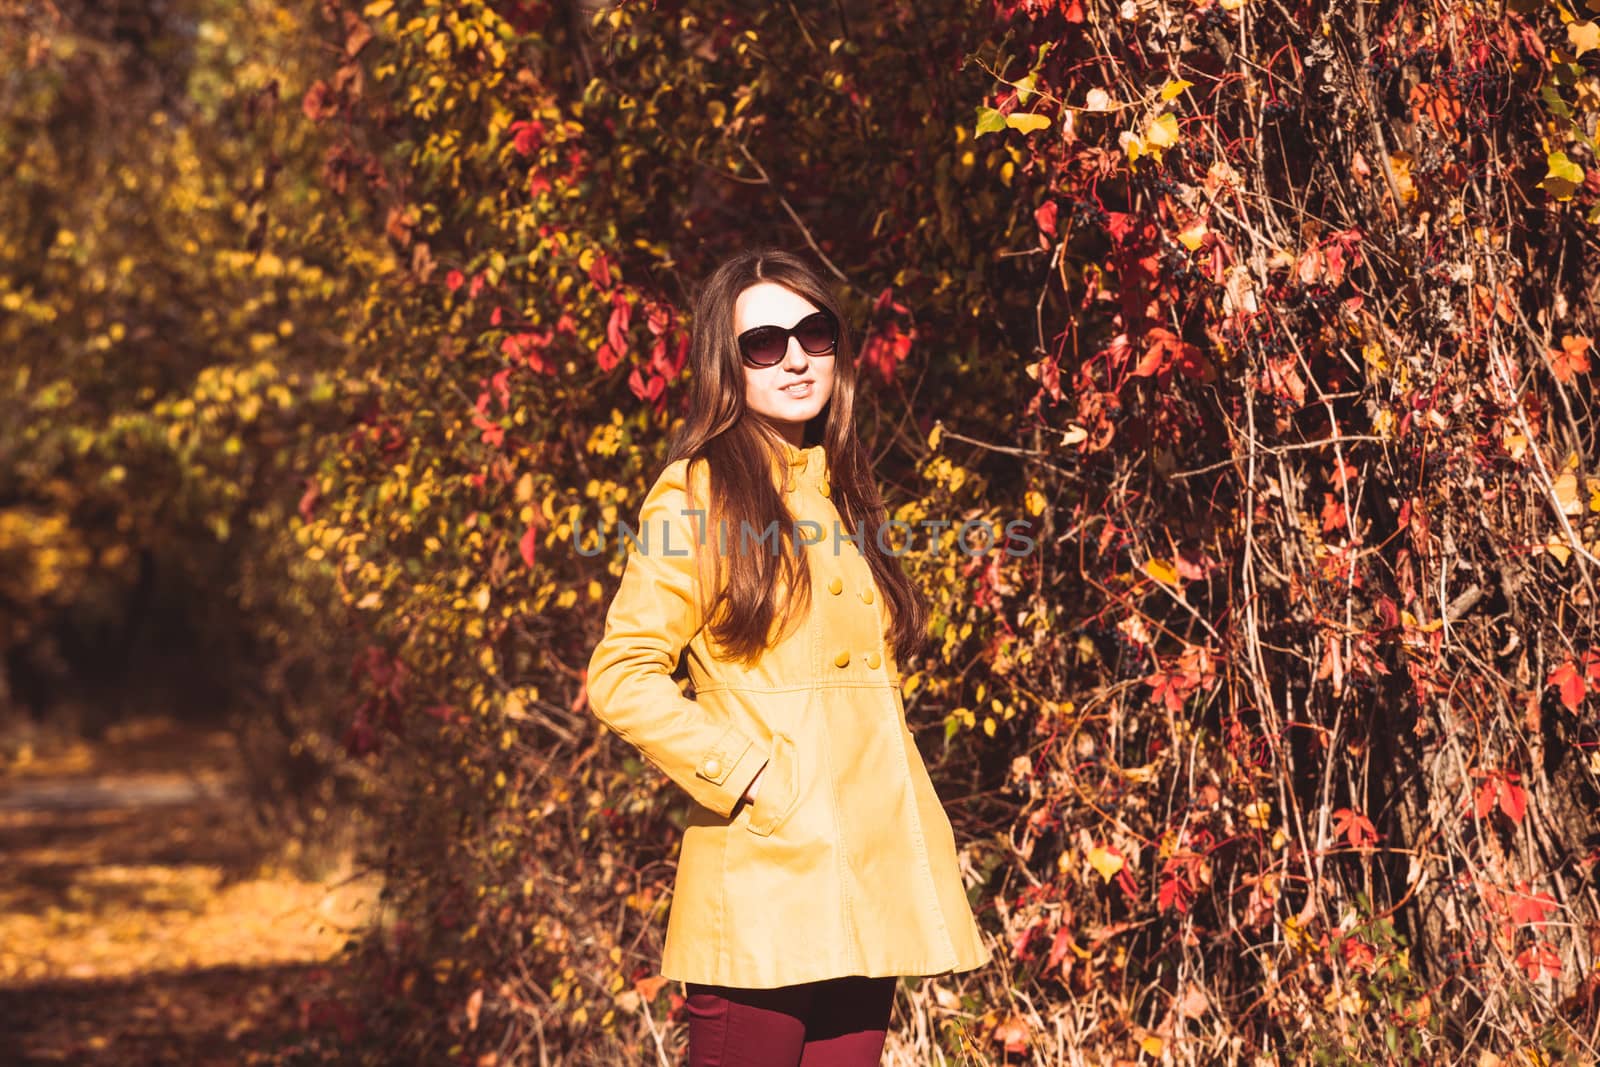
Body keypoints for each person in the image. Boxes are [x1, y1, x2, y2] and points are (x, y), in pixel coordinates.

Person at [584, 247, 990, 1066]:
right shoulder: (696, 492)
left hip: (869, 879)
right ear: (724, 366)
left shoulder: (842, 493)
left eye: (814, 331)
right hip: (765, 879)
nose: (796, 357)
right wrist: (752, 774)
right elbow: (621, 675)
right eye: (762, 344)